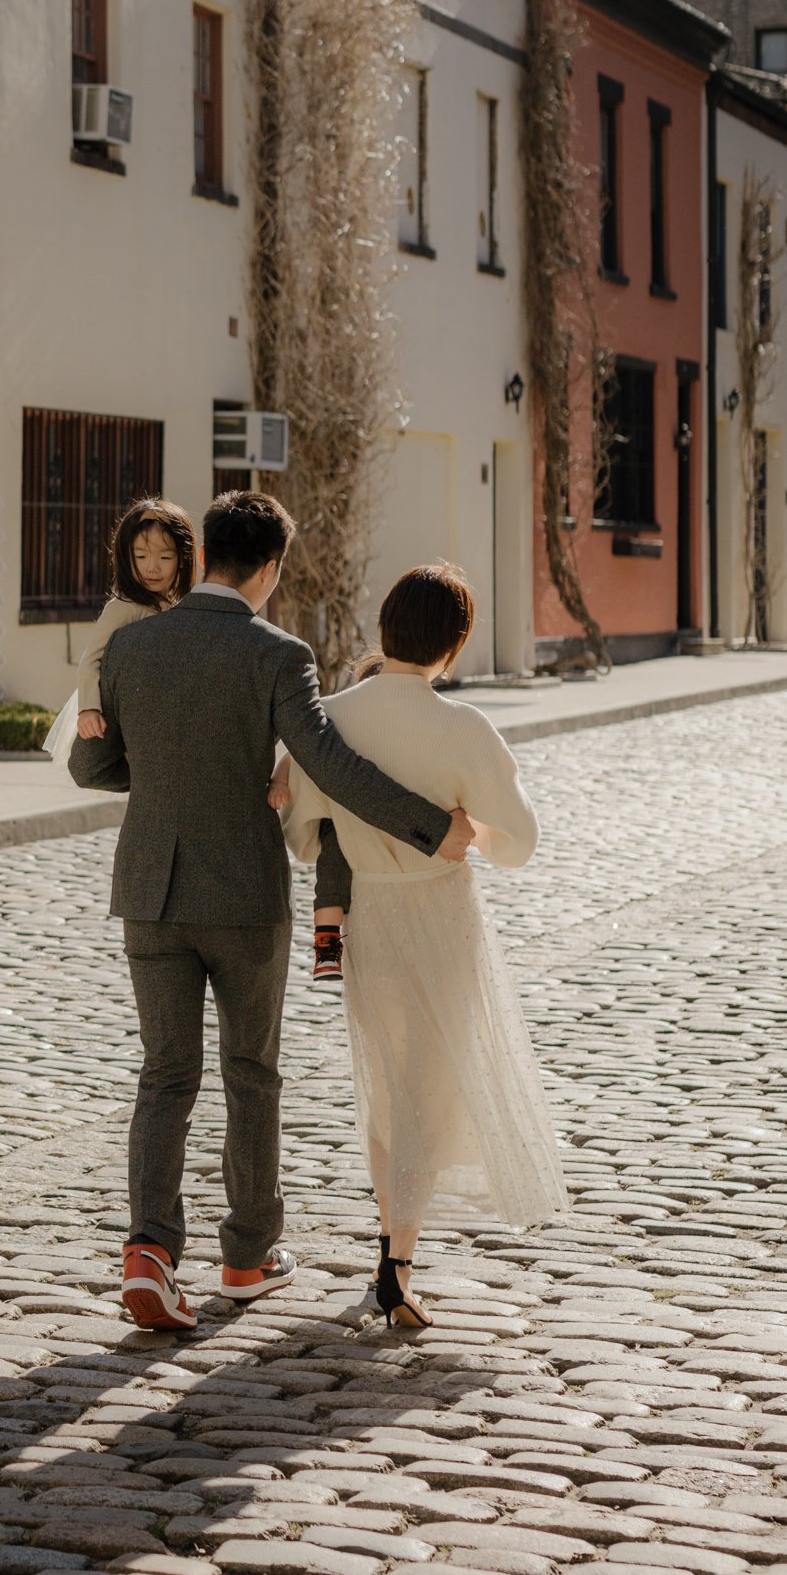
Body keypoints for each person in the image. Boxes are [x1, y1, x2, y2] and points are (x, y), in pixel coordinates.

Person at [69, 491, 475, 1333]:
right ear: (270, 569)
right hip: (244, 899)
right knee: (250, 1074)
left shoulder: (131, 644)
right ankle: (247, 1258)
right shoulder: (278, 654)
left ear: (205, 552)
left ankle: (148, 1251)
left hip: (149, 889)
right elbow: (327, 763)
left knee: (164, 1076)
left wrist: (168, 773)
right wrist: (433, 828)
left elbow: (93, 766)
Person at [276, 564, 567, 1330]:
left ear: (385, 628)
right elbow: (520, 843)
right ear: (455, 644)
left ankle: (390, 1249)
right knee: (430, 1087)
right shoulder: (464, 728)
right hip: (440, 916)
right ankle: (398, 1262)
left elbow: (304, 837)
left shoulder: (330, 715)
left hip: (370, 912)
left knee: (385, 1083)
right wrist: (468, 834)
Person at [40, 499, 198, 765]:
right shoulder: (124, 606)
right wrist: (89, 708)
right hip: (126, 713)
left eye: (165, 557)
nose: (152, 567)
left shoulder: (175, 607)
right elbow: (91, 660)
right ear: (126, 557)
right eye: (141, 556)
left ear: (183, 560)